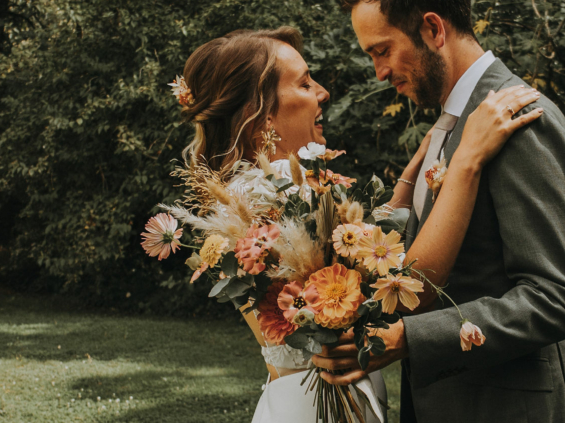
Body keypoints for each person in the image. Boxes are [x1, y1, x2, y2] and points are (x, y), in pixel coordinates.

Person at [176, 26, 544, 422]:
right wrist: (467, 160)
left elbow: (361, 258)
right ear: (263, 116)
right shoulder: (275, 192)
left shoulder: (252, 190)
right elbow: (412, 283)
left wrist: (413, 173)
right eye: (305, 83)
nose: (322, 93)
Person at [311, 1, 565, 422]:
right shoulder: (454, 126)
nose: (379, 72)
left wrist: (410, 338)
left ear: (432, 30)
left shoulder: (521, 121)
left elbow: (556, 299)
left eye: (382, 51)